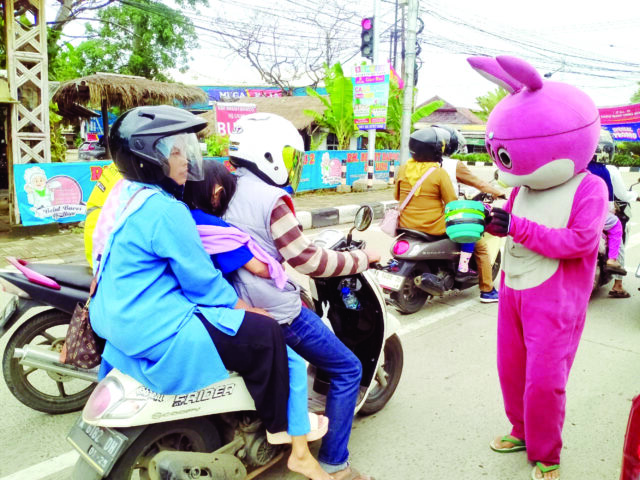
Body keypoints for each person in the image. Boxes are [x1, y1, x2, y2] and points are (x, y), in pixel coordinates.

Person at [88, 105, 331, 480]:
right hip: (156, 327)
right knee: (265, 332)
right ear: (147, 159)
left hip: (116, 318)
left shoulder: (125, 195)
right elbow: (201, 281)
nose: (185, 159)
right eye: (175, 151)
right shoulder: (166, 210)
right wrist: (246, 308)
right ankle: (281, 430)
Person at [468, 54, 609, 480]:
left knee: (545, 379)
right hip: (514, 287)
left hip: (557, 297)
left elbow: (582, 242)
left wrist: (519, 227)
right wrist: (496, 222)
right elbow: (511, 223)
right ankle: (520, 429)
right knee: (511, 368)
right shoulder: (523, 187)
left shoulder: (590, 187)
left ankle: (546, 451)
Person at [222, 112, 380, 480]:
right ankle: (335, 463)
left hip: (233, 303)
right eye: (288, 155)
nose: (290, 166)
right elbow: (307, 259)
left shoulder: (221, 186)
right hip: (275, 309)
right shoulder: (272, 199)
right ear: (269, 155)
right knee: (347, 368)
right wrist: (363, 258)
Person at [183, 159, 325, 451]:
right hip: (224, 309)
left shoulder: (183, 218)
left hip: (195, 308)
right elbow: (259, 268)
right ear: (216, 192)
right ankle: (290, 430)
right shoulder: (215, 228)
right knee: (294, 361)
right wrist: (276, 258)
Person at [395, 126, 499, 303]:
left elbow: (396, 196)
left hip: (405, 224)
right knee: (477, 242)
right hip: (431, 225)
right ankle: (484, 288)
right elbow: (452, 203)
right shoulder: (438, 172)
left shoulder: (403, 169)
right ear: (436, 150)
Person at [434, 125, 507, 282]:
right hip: (445, 217)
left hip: (417, 217)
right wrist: (498, 192)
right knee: (479, 244)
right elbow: (478, 183)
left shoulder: (413, 165)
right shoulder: (453, 165)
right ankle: (484, 288)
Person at [587, 158, 626, 276]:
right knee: (616, 224)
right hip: (592, 214)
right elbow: (609, 199)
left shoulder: (574, 165)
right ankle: (612, 260)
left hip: (569, 212)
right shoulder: (602, 169)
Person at [605, 163, 639, 297]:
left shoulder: (580, 165)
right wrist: (635, 196)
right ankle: (618, 284)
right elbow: (622, 195)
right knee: (618, 237)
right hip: (603, 214)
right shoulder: (609, 169)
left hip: (579, 212)